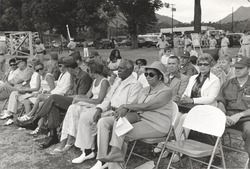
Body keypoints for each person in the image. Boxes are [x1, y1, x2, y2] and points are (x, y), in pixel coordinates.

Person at [90, 61, 173, 169]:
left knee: (120, 131)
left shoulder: (166, 91)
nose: (147, 77)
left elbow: (147, 106)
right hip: (141, 118)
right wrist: (121, 110)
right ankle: (110, 158)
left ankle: (115, 160)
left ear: (160, 76)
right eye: (146, 74)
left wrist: (126, 106)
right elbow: (136, 105)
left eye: (151, 74)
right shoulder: (145, 89)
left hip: (157, 125)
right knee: (115, 121)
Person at [51, 63, 109, 162]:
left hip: (98, 105)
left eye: (89, 71)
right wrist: (77, 97)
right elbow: (87, 95)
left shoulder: (104, 82)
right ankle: (66, 140)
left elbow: (99, 100)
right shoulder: (95, 81)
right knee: (72, 108)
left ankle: (69, 141)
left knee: (75, 109)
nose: (88, 73)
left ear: (94, 72)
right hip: (91, 103)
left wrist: (82, 100)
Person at [32, 58, 93, 149]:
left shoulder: (84, 77)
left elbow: (81, 96)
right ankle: (53, 136)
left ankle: (36, 118)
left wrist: (67, 96)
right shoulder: (75, 76)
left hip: (79, 102)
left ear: (70, 69)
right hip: (72, 99)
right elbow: (72, 91)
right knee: (53, 106)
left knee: (53, 97)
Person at [216, 57, 250, 168]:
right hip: (227, 117)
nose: (237, 70)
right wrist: (223, 115)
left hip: (246, 118)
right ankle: (213, 155)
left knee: (249, 130)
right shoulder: (228, 83)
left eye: (241, 68)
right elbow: (221, 101)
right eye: (236, 68)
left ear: (248, 69)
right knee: (208, 124)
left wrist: (239, 115)